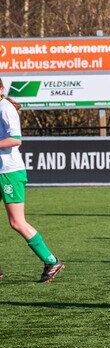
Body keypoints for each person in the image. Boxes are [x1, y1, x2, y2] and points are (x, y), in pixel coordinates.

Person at [0, 78, 65, 282]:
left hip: (10, 171)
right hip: (1, 170)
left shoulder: (5, 107)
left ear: (0, 89)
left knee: (17, 222)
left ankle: (51, 261)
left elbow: (16, 139)